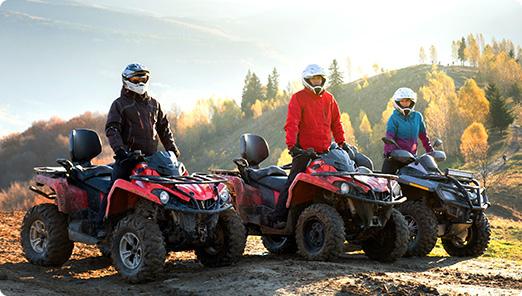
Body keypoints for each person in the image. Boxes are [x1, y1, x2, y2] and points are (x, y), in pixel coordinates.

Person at [269, 64, 351, 227]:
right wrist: (292, 146)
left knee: (342, 180)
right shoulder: (298, 98)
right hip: (304, 152)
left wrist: (341, 142)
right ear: (307, 80)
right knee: (293, 183)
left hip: (326, 152)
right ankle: (278, 218)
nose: (316, 82)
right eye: (313, 79)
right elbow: (292, 123)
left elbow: (336, 123)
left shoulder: (329, 99)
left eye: (319, 78)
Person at [105, 63, 180, 181]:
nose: (140, 82)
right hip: (127, 159)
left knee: (172, 187)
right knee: (115, 188)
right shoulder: (119, 104)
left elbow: (164, 128)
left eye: (143, 79)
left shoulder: (154, 104)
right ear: (126, 80)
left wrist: (172, 149)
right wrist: (120, 151)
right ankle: (106, 200)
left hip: (153, 160)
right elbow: (112, 129)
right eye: (136, 79)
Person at [382, 87, 433, 174]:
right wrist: (389, 152)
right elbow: (389, 137)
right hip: (396, 158)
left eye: (407, 101)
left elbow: (423, 136)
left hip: (412, 158)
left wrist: (430, 151)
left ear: (411, 102)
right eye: (402, 101)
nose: (405, 103)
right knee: (386, 182)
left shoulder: (418, 117)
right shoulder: (394, 118)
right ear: (397, 102)